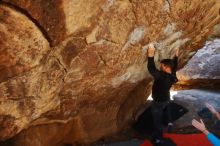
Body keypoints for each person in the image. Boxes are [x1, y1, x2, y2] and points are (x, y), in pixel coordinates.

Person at [147, 43, 179, 145]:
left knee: (157, 121)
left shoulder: (162, 76)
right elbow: (174, 66)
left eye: (161, 66)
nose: (160, 67)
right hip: (166, 99)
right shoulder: (172, 75)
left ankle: (159, 139)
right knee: (166, 109)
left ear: (165, 67)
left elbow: (152, 69)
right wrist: (176, 56)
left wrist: (150, 54)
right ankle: (169, 122)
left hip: (158, 102)